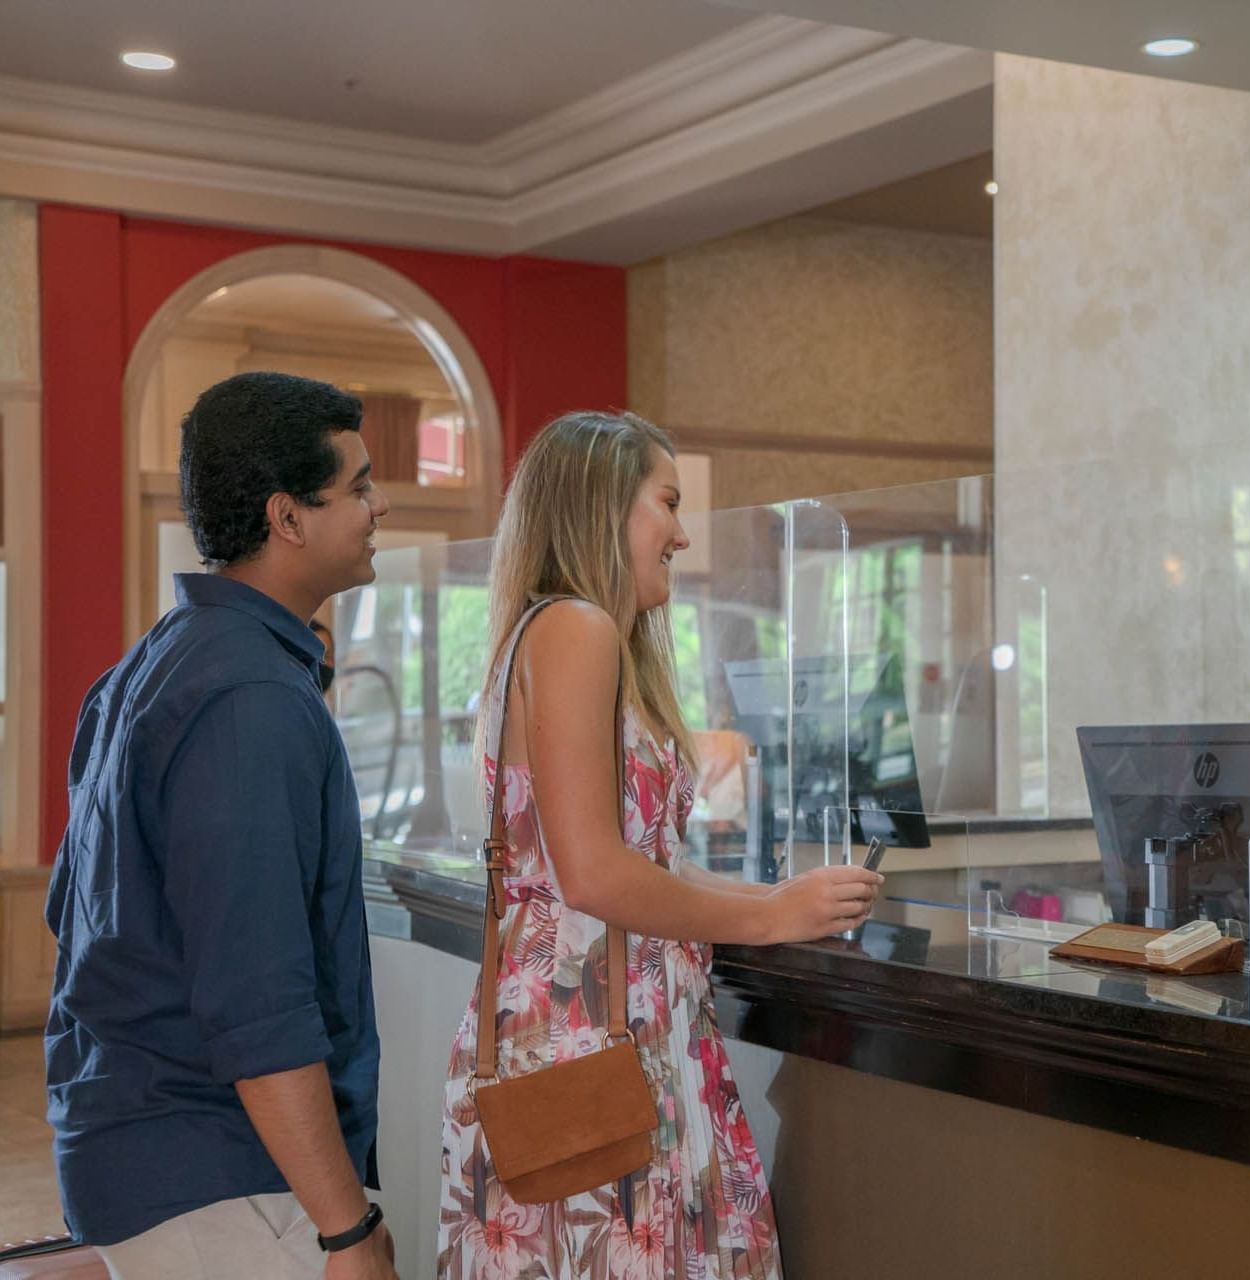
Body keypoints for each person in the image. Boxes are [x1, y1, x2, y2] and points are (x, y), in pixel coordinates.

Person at [437, 411, 882, 1279]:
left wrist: (781, 900)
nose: (680, 534)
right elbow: (595, 872)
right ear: (604, 506)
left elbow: (636, 861)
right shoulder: (576, 629)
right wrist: (768, 918)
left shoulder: (563, 632)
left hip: (605, 1029)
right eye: (667, 504)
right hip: (588, 1043)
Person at [44, 372, 398, 1280]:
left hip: (142, 1151)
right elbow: (257, 1002)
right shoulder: (248, 698)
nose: (377, 506)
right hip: (219, 1174)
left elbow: (71, 913)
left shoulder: (155, 661)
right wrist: (346, 1229)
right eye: (356, 486)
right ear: (287, 517)